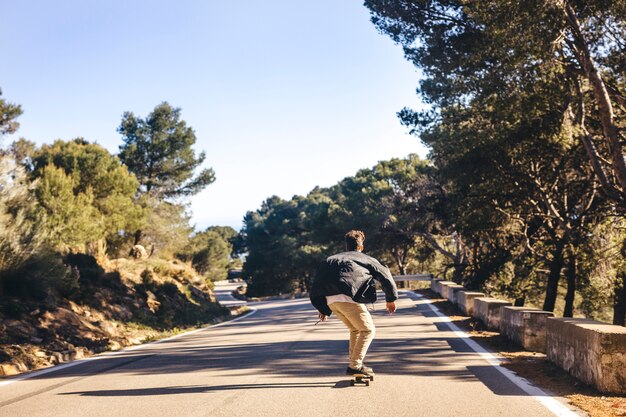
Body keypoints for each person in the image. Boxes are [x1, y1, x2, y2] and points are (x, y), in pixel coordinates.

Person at [309, 230, 398, 376]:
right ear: (361, 246)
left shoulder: (330, 260)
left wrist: (322, 307)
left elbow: (318, 283)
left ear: (346, 246)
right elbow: (385, 276)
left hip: (331, 302)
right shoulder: (365, 258)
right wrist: (390, 299)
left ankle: (355, 363)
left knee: (356, 330)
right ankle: (355, 366)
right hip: (348, 300)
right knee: (368, 330)